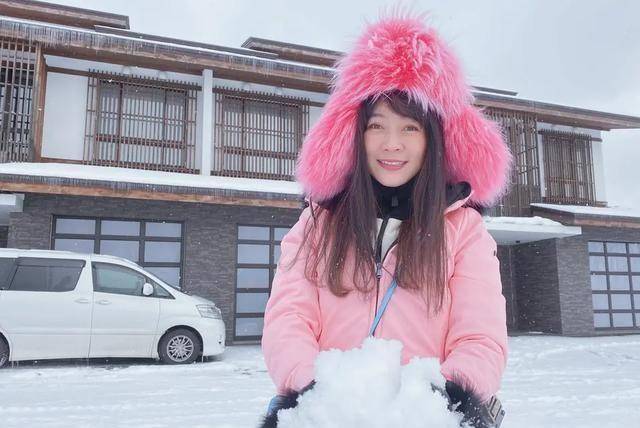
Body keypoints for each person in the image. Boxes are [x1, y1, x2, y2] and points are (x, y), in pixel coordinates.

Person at [260, 12, 512, 428]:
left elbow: (480, 337)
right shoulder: (317, 224)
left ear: (433, 140)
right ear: (355, 135)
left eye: (410, 128)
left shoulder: (463, 231)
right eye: (376, 125)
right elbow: (289, 320)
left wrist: (434, 403)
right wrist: (317, 394)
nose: (391, 144)